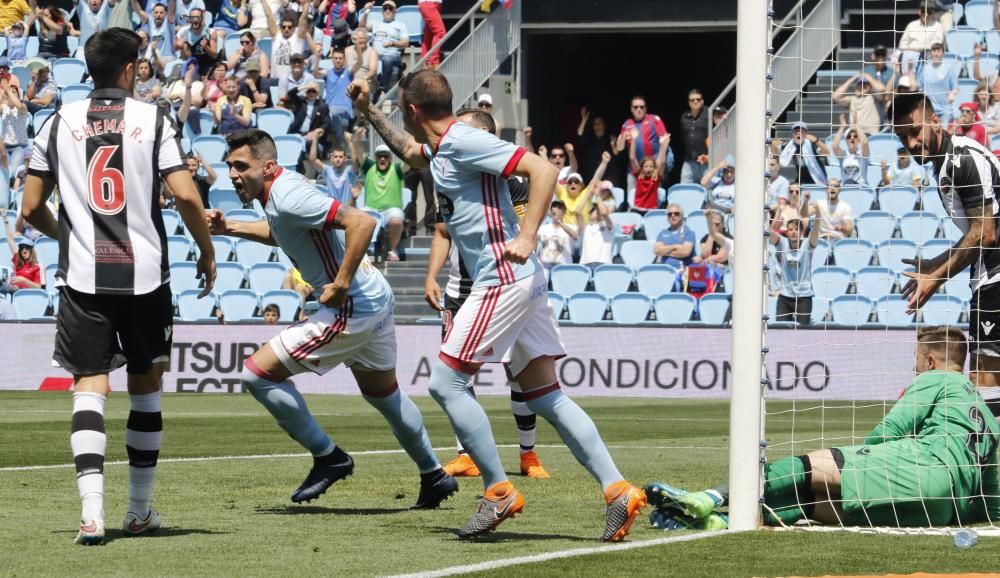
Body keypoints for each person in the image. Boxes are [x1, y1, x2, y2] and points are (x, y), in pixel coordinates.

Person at [351, 70, 645, 541]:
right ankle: (618, 491)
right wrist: (368, 112)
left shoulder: (463, 141)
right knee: (547, 396)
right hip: (520, 280)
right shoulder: (440, 149)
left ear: (412, 109)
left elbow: (544, 170)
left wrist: (528, 234)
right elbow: (409, 150)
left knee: (446, 384)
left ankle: (498, 491)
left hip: (502, 277)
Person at [20, 28, 217, 546]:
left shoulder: (57, 121)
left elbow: (28, 207)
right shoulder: (153, 119)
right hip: (146, 277)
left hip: (83, 279)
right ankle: (138, 510)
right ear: (131, 69)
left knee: (89, 386)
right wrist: (207, 249)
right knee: (145, 389)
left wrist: (71, 234)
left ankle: (90, 516)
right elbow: (188, 198)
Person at [208, 128, 457, 510]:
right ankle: (434, 474)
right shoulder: (280, 193)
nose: (233, 174)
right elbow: (285, 231)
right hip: (373, 296)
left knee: (256, 375)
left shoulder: (288, 195)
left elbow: (362, 223)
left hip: (350, 304)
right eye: (229, 167)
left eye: (241, 166)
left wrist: (340, 284)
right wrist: (231, 227)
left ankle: (329, 456)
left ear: (269, 166)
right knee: (384, 395)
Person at [647, 326, 999, 530]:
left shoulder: (937, 378)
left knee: (814, 465)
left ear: (931, 360)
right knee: (813, 504)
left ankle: (707, 498)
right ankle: (721, 523)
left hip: (921, 469)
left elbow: (894, 426)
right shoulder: (985, 412)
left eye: (916, 363)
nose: (915, 370)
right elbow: (993, 498)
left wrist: (870, 455)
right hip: (941, 511)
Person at [424, 106, 550, 480]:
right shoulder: (446, 170)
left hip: (500, 283)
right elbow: (443, 232)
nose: (454, 139)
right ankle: (467, 454)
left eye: (463, 131)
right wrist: (431, 276)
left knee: (518, 371)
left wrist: (525, 242)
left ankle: (528, 455)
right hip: (458, 288)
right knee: (456, 375)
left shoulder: (511, 179)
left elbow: (524, 226)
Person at [893, 92, 1000, 400]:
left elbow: (984, 234)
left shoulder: (962, 160)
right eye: (903, 137)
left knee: (986, 378)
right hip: (988, 273)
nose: (911, 143)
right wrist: (934, 264)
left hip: (995, 275)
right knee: (985, 377)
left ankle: (978, 450)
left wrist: (937, 276)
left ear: (935, 121)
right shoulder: (944, 166)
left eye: (915, 131)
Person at [771, 203, 820, 325]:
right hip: (785, 297)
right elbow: (768, 231)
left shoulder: (807, 245)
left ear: (801, 232)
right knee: (781, 332)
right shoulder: (782, 243)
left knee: (802, 333)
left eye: (797, 229)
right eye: (791, 229)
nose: (794, 232)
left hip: (804, 297)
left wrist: (818, 213)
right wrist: (772, 212)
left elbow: (815, 231)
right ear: (787, 232)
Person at [620, 95, 669, 192]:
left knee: (655, 201)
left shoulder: (654, 119)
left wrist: (658, 167)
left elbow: (665, 140)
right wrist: (622, 139)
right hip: (634, 171)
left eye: (642, 107)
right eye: (636, 107)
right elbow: (620, 148)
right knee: (633, 201)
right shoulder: (627, 124)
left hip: (652, 170)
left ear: (646, 109)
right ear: (631, 109)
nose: (639, 109)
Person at [363, 0, 408, 99]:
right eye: (385, 8)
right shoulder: (375, 24)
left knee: (387, 59)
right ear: (382, 11)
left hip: (393, 57)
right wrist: (366, 11)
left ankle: (383, 89)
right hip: (376, 58)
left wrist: (392, 43)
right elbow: (361, 27)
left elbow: (405, 43)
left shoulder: (400, 25)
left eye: (390, 9)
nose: (387, 11)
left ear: (394, 11)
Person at [313, 47, 353, 149]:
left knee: (332, 113)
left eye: (340, 58)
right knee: (329, 114)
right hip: (330, 112)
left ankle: (336, 146)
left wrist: (357, 47)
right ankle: (339, 144)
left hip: (345, 110)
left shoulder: (348, 72)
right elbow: (316, 73)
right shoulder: (328, 72)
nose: (338, 60)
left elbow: (359, 63)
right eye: (335, 58)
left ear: (344, 59)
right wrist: (317, 57)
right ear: (332, 59)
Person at [307, 131, 360, 206]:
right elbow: (313, 159)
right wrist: (315, 139)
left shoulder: (350, 171)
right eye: (335, 157)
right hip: (334, 211)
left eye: (340, 157)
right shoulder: (328, 170)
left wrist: (350, 142)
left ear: (345, 159)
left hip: (348, 210)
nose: (338, 159)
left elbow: (355, 162)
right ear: (332, 159)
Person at [264, 0, 311, 82]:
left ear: (294, 28)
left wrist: (307, 3)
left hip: (291, 80)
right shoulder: (276, 35)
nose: (286, 29)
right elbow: (269, 15)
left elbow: (304, 17)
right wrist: (263, 1)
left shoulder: (298, 36)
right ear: (281, 27)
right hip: (274, 79)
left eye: (289, 27)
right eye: (284, 27)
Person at [897, 2, 944, 78]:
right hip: (909, 54)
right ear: (919, 12)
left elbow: (937, 45)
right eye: (923, 12)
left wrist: (920, 50)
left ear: (933, 13)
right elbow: (902, 44)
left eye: (929, 12)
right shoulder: (911, 25)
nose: (926, 15)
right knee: (898, 55)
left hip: (927, 55)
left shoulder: (937, 26)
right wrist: (913, 50)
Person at [579, 179, 616, 270]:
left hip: (603, 264)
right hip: (585, 264)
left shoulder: (609, 224)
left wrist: (597, 195)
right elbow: (577, 211)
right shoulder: (586, 226)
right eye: (595, 209)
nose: (597, 210)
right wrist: (591, 190)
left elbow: (604, 213)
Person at [629, 132, 670, 213]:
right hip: (638, 209)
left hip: (651, 211)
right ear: (642, 168)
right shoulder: (638, 175)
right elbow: (632, 158)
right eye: (646, 166)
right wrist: (633, 140)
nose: (648, 169)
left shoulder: (656, 177)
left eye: (651, 166)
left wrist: (662, 145)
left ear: (654, 168)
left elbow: (662, 162)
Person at [920, 43, 958, 127]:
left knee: (944, 135)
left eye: (938, 51)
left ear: (943, 53)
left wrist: (952, 94)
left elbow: (955, 87)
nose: (936, 53)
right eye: (934, 51)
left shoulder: (948, 68)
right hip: (930, 110)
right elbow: (921, 86)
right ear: (931, 53)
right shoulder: (925, 68)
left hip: (945, 110)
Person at [1, 222, 43, 293]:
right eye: (21, 247)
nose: (24, 249)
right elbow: (10, 240)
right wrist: (5, 220)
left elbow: (38, 287)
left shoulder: (36, 267)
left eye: (26, 247)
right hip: (13, 291)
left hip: (26, 294)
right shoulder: (17, 260)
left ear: (31, 250)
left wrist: (23, 280)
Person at [679, 89, 709, 184]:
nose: (695, 101)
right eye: (692, 100)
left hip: (706, 162)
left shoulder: (709, 112)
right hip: (689, 161)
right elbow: (683, 136)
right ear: (689, 103)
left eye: (698, 99)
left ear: (702, 101)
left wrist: (723, 116)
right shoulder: (684, 117)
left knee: (708, 193)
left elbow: (721, 117)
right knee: (684, 191)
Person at [831, 113, 870, 187]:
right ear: (846, 140)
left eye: (855, 136)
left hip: (861, 188)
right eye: (849, 137)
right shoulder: (843, 154)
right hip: (845, 188)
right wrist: (842, 127)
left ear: (858, 140)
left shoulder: (863, 154)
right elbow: (834, 146)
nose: (852, 138)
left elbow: (865, 142)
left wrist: (856, 126)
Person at [536, 200, 576, 272]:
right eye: (554, 207)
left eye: (559, 207)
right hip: (545, 266)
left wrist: (560, 222)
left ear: (564, 212)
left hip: (563, 266)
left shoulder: (571, 227)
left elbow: (575, 236)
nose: (556, 209)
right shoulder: (543, 228)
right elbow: (533, 236)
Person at [654, 204, 696, 270]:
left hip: (682, 270)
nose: (672, 216)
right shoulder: (662, 233)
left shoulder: (689, 231)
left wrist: (664, 252)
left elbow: (685, 252)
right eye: (669, 214)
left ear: (681, 216)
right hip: (664, 270)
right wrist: (675, 246)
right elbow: (657, 250)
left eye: (676, 213)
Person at [418, 0, 444, 68]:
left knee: (429, 35)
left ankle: (426, 63)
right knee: (440, 32)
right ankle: (433, 63)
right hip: (428, 3)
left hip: (431, 4)